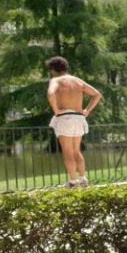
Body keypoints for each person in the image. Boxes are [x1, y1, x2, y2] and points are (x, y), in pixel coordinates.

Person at [45, 56, 101, 188]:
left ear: (53, 70)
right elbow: (97, 94)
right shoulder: (77, 81)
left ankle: (73, 182)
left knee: (68, 152)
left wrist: (56, 109)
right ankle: (83, 179)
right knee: (77, 151)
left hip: (65, 117)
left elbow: (50, 94)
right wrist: (87, 110)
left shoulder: (55, 80)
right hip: (79, 118)